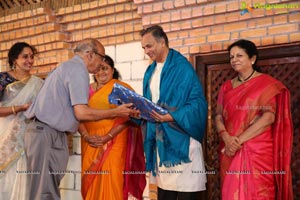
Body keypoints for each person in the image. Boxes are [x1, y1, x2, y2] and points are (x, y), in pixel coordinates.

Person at [23, 38, 138, 200]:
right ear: (90, 55)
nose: (101, 64)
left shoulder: (69, 67)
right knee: (44, 191)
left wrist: (105, 135)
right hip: (46, 133)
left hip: (54, 134)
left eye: (106, 64)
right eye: (101, 57)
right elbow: (81, 113)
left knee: (47, 189)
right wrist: (115, 112)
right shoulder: (78, 70)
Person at [215, 39, 293, 199]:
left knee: (258, 193)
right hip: (229, 149)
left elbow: (268, 117)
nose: (234, 59)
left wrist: (237, 141)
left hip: (256, 151)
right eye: (231, 57)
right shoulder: (226, 87)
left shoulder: (266, 84)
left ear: (252, 59)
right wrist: (227, 138)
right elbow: (218, 116)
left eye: (239, 55)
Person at [140, 25, 208, 200]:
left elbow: (197, 104)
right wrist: (139, 111)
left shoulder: (181, 67)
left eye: (149, 46)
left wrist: (170, 116)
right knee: (164, 194)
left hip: (183, 144)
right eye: (144, 48)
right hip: (162, 144)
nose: (146, 51)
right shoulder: (150, 71)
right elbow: (150, 103)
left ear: (162, 42)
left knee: (187, 194)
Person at [79, 55, 146, 200]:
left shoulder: (121, 89)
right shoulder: (84, 90)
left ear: (112, 70)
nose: (101, 72)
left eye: (105, 68)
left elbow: (130, 115)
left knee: (112, 178)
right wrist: (86, 136)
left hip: (114, 141)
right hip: (90, 141)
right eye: (98, 68)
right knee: (91, 182)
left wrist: (107, 137)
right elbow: (77, 115)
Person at [0, 42, 44, 200]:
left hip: (29, 138)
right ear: (14, 59)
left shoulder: (38, 83)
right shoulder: (3, 79)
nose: (30, 60)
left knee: (25, 177)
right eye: (25, 57)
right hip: (5, 137)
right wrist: (19, 108)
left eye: (32, 57)